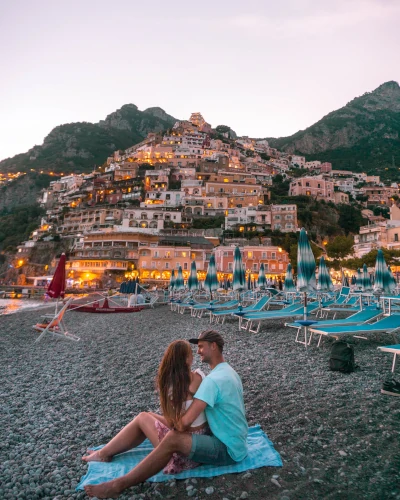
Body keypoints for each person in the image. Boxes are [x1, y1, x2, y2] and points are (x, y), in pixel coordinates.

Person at [83, 331, 248, 499]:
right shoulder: (229, 372)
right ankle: (105, 453)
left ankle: (118, 485)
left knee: (173, 437)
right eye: (196, 348)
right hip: (236, 442)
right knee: (145, 417)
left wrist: (173, 416)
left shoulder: (212, 381)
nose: (198, 351)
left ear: (213, 346)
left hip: (227, 450)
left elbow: (183, 425)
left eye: (201, 347)